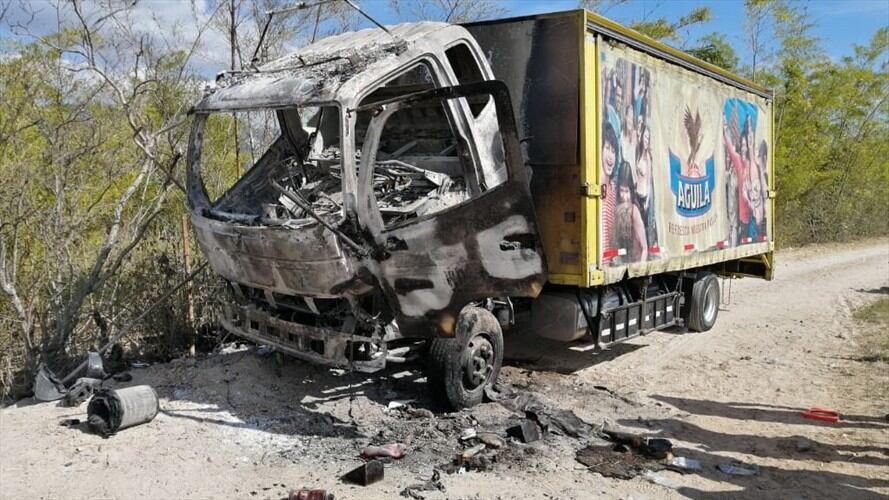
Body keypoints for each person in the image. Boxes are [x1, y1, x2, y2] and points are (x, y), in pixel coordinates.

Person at [614, 163, 648, 263]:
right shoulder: (617, 210)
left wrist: (640, 270)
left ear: (631, 192)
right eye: (621, 191)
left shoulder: (634, 212)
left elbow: (644, 249)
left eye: (626, 191)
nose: (624, 196)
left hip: (635, 264)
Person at [634, 123, 657, 248]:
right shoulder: (638, 153)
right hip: (637, 195)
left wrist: (647, 201)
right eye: (645, 136)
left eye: (649, 138)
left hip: (643, 198)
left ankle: (646, 250)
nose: (646, 140)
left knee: (643, 228)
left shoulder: (648, 157)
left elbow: (648, 182)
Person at [601, 122, 619, 263]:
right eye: (607, 148)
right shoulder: (595, 186)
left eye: (614, 151)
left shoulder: (612, 189)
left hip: (610, 265)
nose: (611, 157)